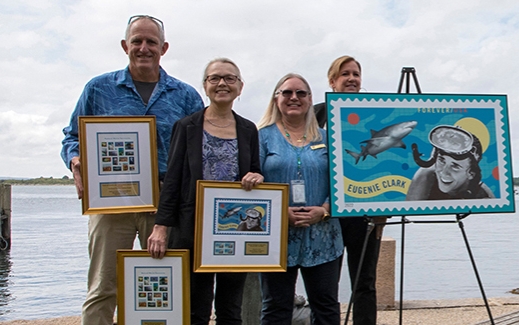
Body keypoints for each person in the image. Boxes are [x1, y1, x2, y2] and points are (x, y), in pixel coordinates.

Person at [59, 15, 203, 325]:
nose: (143, 48)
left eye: (151, 42)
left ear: (163, 48)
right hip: (111, 202)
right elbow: (72, 137)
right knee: (102, 287)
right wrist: (75, 161)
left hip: (166, 202)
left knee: (167, 284)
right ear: (125, 46)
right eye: (137, 41)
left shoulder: (186, 95)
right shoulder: (98, 89)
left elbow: (199, 151)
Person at [147, 58, 261, 325]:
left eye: (229, 78)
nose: (222, 83)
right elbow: (173, 178)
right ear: (205, 86)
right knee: (195, 307)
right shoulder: (186, 126)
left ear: (240, 87)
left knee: (231, 308)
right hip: (192, 229)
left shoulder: (248, 129)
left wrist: (256, 176)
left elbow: (254, 170)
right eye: (214, 78)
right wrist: (161, 227)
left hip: (235, 230)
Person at [259, 73, 345, 324]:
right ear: (276, 99)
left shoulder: (328, 138)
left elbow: (342, 181)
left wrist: (325, 210)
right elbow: (252, 180)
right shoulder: (261, 136)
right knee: (275, 308)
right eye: (286, 93)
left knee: (326, 307)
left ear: (310, 100)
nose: (293, 98)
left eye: (301, 93)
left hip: (323, 236)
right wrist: (278, 212)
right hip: (277, 237)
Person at [313, 55, 382, 325]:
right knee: (324, 285)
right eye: (345, 74)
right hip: (325, 211)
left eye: (356, 73)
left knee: (365, 283)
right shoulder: (315, 114)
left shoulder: (373, 112)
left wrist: (385, 210)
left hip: (364, 214)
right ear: (332, 81)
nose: (352, 78)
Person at [406, 125, 496, 200]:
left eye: (455, 166)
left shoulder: (484, 196)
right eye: (441, 160)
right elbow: (411, 209)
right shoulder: (425, 175)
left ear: (471, 173)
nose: (444, 173)